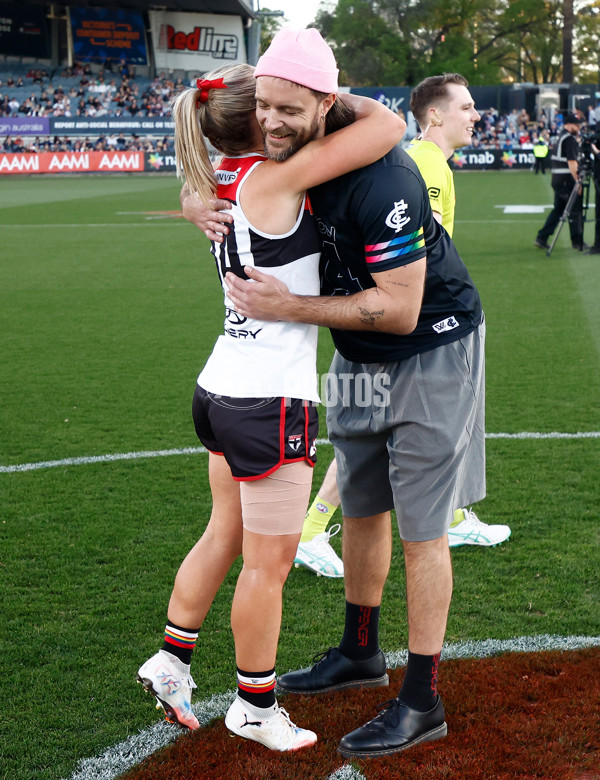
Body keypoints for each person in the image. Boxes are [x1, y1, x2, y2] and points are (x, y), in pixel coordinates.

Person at [191, 29, 486, 759]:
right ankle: (360, 649)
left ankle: (422, 699)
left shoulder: (380, 176)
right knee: (359, 496)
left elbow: (402, 308)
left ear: (327, 103)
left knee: (422, 525)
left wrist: (288, 309)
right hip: (356, 350)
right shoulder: (288, 152)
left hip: (430, 346)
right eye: (265, 106)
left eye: (291, 108)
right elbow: (214, 149)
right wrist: (197, 197)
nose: (272, 123)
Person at [137, 38, 405, 753]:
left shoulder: (221, 173)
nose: (277, 116)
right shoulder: (274, 181)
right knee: (269, 564)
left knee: (224, 532)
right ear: (255, 122)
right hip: (268, 401)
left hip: (221, 386)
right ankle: (254, 704)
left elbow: (198, 175)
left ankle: (171, 658)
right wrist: (323, 91)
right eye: (267, 106)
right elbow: (387, 126)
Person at [294, 74, 509, 578]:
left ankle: (451, 515)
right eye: (466, 106)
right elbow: (413, 256)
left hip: (401, 326)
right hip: (417, 331)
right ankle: (315, 526)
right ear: (434, 115)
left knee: (382, 437)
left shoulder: (424, 159)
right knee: (389, 438)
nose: (475, 115)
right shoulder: (426, 165)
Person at [534, 113, 586, 251]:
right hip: (566, 181)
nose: (578, 128)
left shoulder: (561, 137)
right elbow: (572, 163)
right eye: (577, 125)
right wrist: (578, 181)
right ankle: (577, 241)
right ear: (569, 125)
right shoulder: (569, 140)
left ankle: (542, 237)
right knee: (574, 211)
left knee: (558, 210)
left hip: (558, 180)